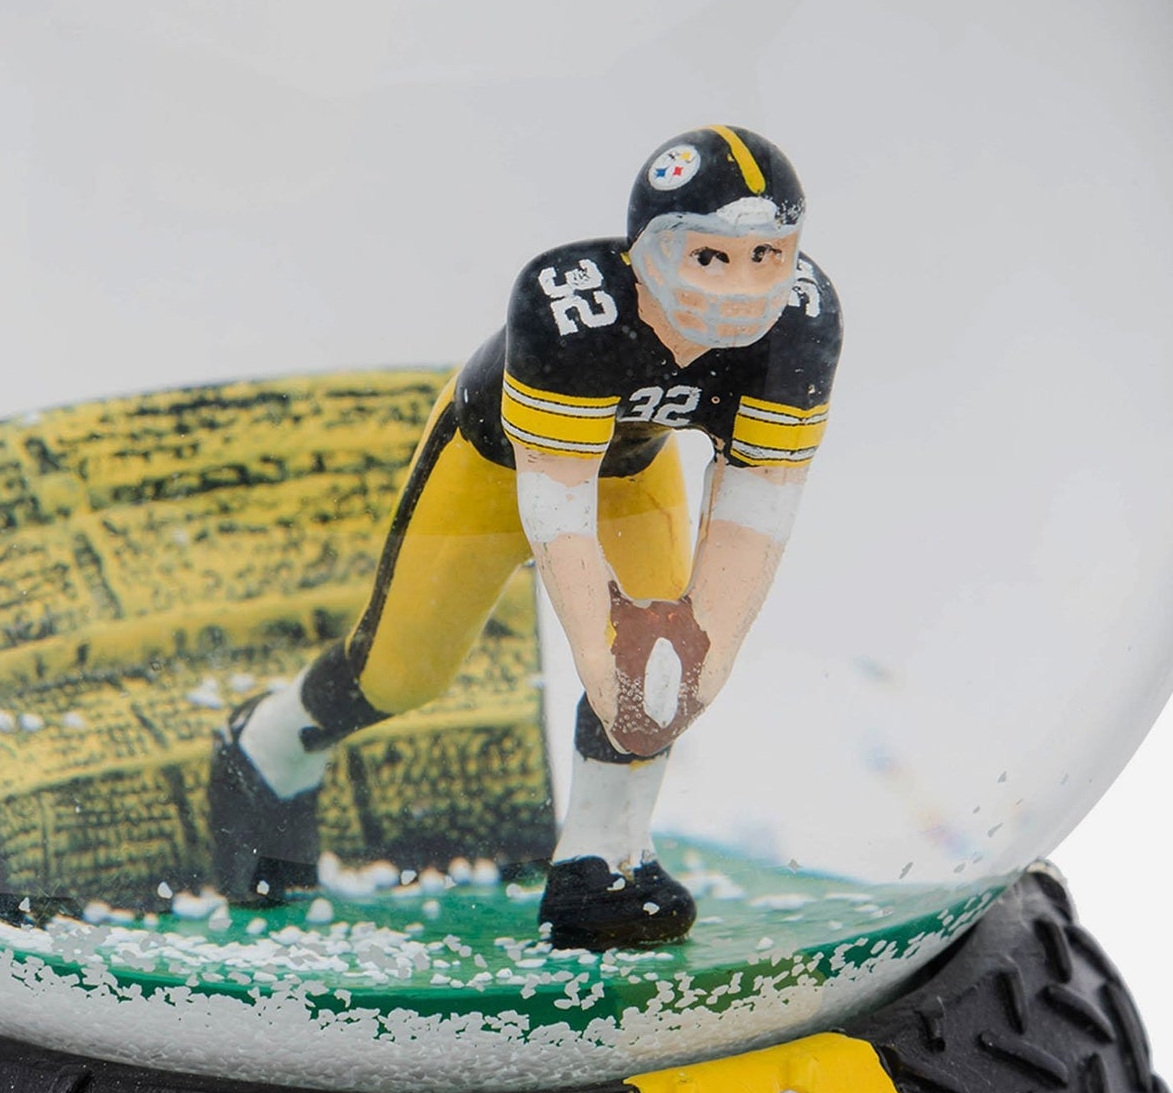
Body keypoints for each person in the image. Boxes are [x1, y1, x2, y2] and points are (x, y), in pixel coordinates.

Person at [210, 126, 842, 948]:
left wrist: (704, 655)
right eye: (710, 257)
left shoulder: (802, 320)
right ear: (647, 249)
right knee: (401, 673)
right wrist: (602, 659)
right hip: (494, 469)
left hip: (626, 472)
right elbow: (558, 509)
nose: (741, 286)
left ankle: (603, 858)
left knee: (663, 653)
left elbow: (758, 502)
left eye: (765, 256)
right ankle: (269, 743)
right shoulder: (573, 307)